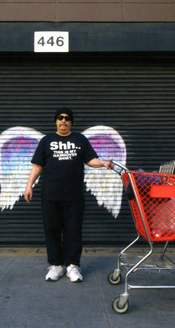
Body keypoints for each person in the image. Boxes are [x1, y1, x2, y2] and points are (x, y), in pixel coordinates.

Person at [24, 107, 113, 282]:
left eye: (66, 118)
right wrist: (29, 186)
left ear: (71, 122)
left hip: (74, 196)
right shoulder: (46, 141)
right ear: (55, 121)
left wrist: (103, 163)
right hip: (50, 195)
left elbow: (90, 160)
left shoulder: (80, 139)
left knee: (73, 231)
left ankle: (73, 266)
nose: (63, 120)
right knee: (52, 230)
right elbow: (37, 166)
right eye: (60, 118)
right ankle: (56, 265)